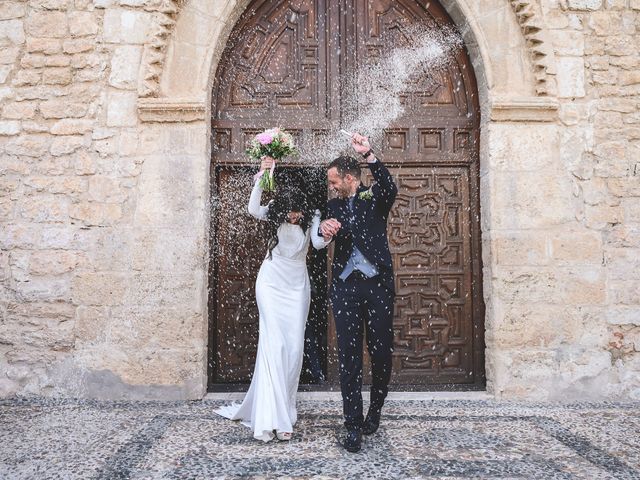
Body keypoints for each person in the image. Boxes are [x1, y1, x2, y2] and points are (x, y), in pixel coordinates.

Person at [214, 157, 328, 442]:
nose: (293, 218)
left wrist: (328, 234)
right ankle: (272, 417)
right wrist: (262, 176)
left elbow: (316, 243)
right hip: (271, 284)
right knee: (274, 345)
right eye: (289, 214)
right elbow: (253, 208)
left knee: (293, 349)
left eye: (296, 214)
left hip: (297, 288)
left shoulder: (311, 216)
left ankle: (286, 409)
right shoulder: (272, 212)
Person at [318, 133, 397, 453]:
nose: (332, 186)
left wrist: (369, 156)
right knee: (349, 357)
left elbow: (390, 187)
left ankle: (375, 409)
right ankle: (352, 424)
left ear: (350, 178)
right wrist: (324, 228)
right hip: (346, 288)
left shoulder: (375, 197)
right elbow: (322, 231)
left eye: (334, 181)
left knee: (380, 354)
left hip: (377, 287)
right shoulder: (332, 204)